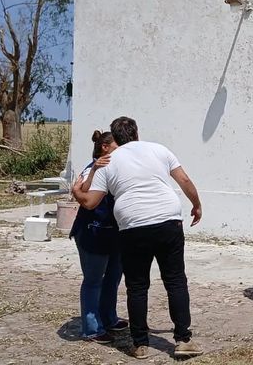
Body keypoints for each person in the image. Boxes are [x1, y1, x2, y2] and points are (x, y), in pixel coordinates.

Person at [73, 116, 205, 359]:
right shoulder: (159, 150)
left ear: (115, 136)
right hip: (168, 219)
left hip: (133, 225)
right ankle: (183, 339)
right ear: (136, 132)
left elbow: (90, 202)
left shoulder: (108, 162)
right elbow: (184, 180)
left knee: (137, 286)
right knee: (175, 280)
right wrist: (196, 204)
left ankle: (140, 343)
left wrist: (76, 191)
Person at [70, 130, 127, 344]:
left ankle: (109, 318)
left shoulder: (118, 168)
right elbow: (83, 192)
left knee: (112, 278)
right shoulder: (91, 168)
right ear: (105, 147)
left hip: (114, 234)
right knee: (94, 281)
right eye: (117, 145)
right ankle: (91, 328)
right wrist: (94, 170)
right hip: (92, 234)